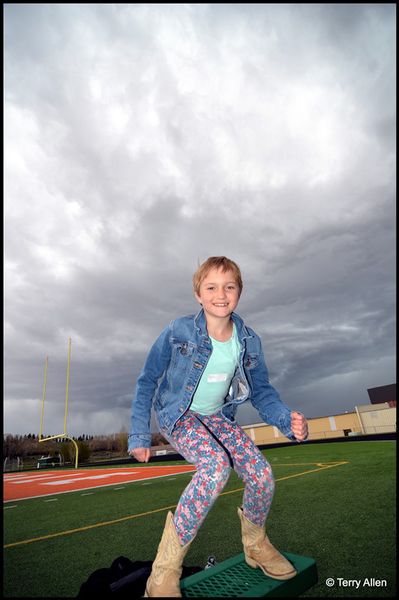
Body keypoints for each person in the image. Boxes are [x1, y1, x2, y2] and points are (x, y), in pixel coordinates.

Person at [128, 256, 308, 597]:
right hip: (178, 416)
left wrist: (288, 420)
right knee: (215, 468)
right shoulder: (177, 331)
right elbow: (147, 379)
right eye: (211, 287)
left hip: (216, 418)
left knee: (261, 473)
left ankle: (255, 545)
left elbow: (262, 392)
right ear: (198, 294)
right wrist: (139, 433)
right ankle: (163, 572)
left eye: (229, 286)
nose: (220, 294)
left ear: (239, 292)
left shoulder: (248, 340)